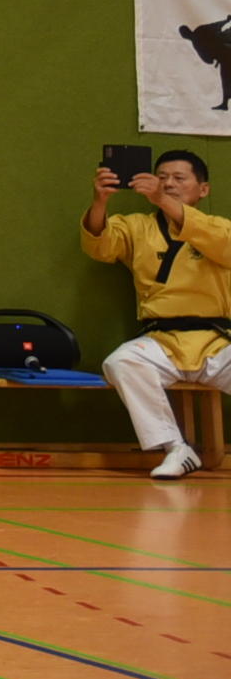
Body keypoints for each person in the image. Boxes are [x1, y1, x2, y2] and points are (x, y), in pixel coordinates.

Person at [82, 150, 231, 481]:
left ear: (203, 189)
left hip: (218, 344)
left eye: (179, 178)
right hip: (162, 341)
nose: (169, 183)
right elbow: (100, 246)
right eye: (162, 177)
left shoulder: (219, 228)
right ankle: (176, 448)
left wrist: (164, 200)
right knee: (121, 362)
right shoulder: (136, 227)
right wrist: (100, 201)